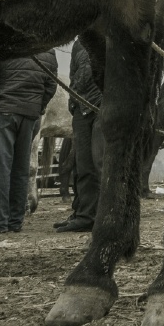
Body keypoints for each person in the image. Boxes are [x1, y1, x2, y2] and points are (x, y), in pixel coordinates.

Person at [0, 50, 57, 234]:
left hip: (1, 111)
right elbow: (51, 84)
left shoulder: (4, 39)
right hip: (29, 115)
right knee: (20, 169)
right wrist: (37, 107)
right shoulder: (48, 47)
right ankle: (15, 221)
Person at [55, 38, 102, 233]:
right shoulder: (79, 42)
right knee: (83, 165)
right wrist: (73, 102)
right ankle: (83, 213)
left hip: (100, 105)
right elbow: (75, 74)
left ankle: (93, 215)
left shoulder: (106, 35)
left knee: (98, 164)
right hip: (82, 108)